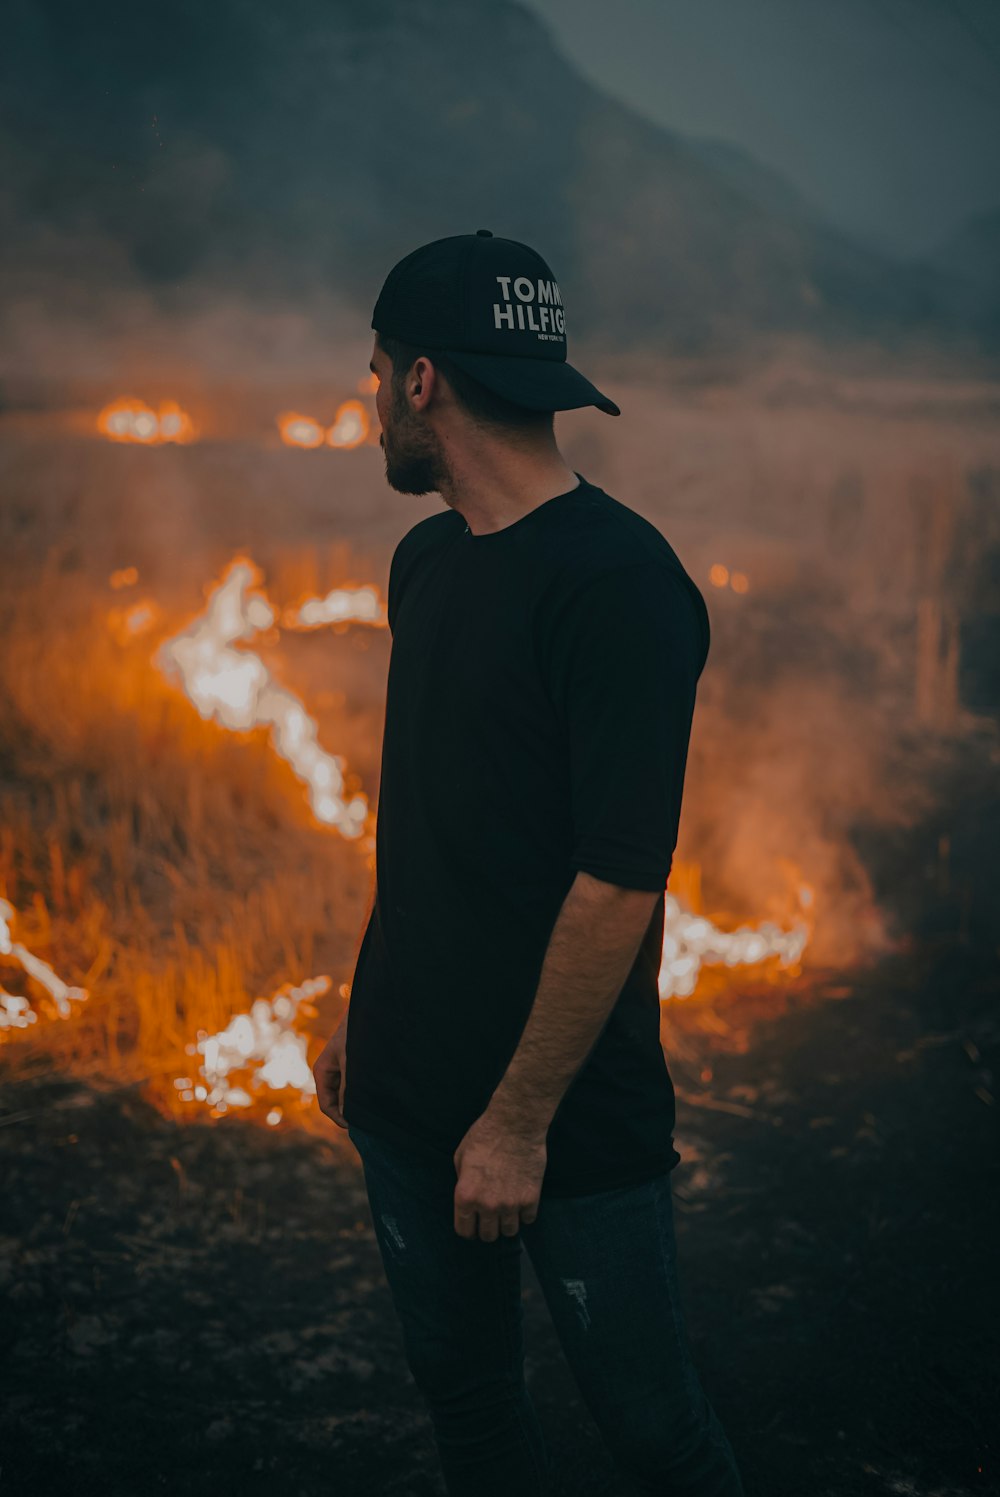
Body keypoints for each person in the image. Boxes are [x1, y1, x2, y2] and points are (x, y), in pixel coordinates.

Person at [313, 229, 745, 1496]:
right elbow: (432, 824)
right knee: (470, 1409)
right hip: (402, 1093)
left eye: (372, 374)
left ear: (422, 381)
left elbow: (619, 878)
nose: (368, 404)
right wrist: (364, 1009)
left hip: (566, 1125)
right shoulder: (426, 561)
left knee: (655, 1437)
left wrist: (514, 1124)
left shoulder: (620, 585)